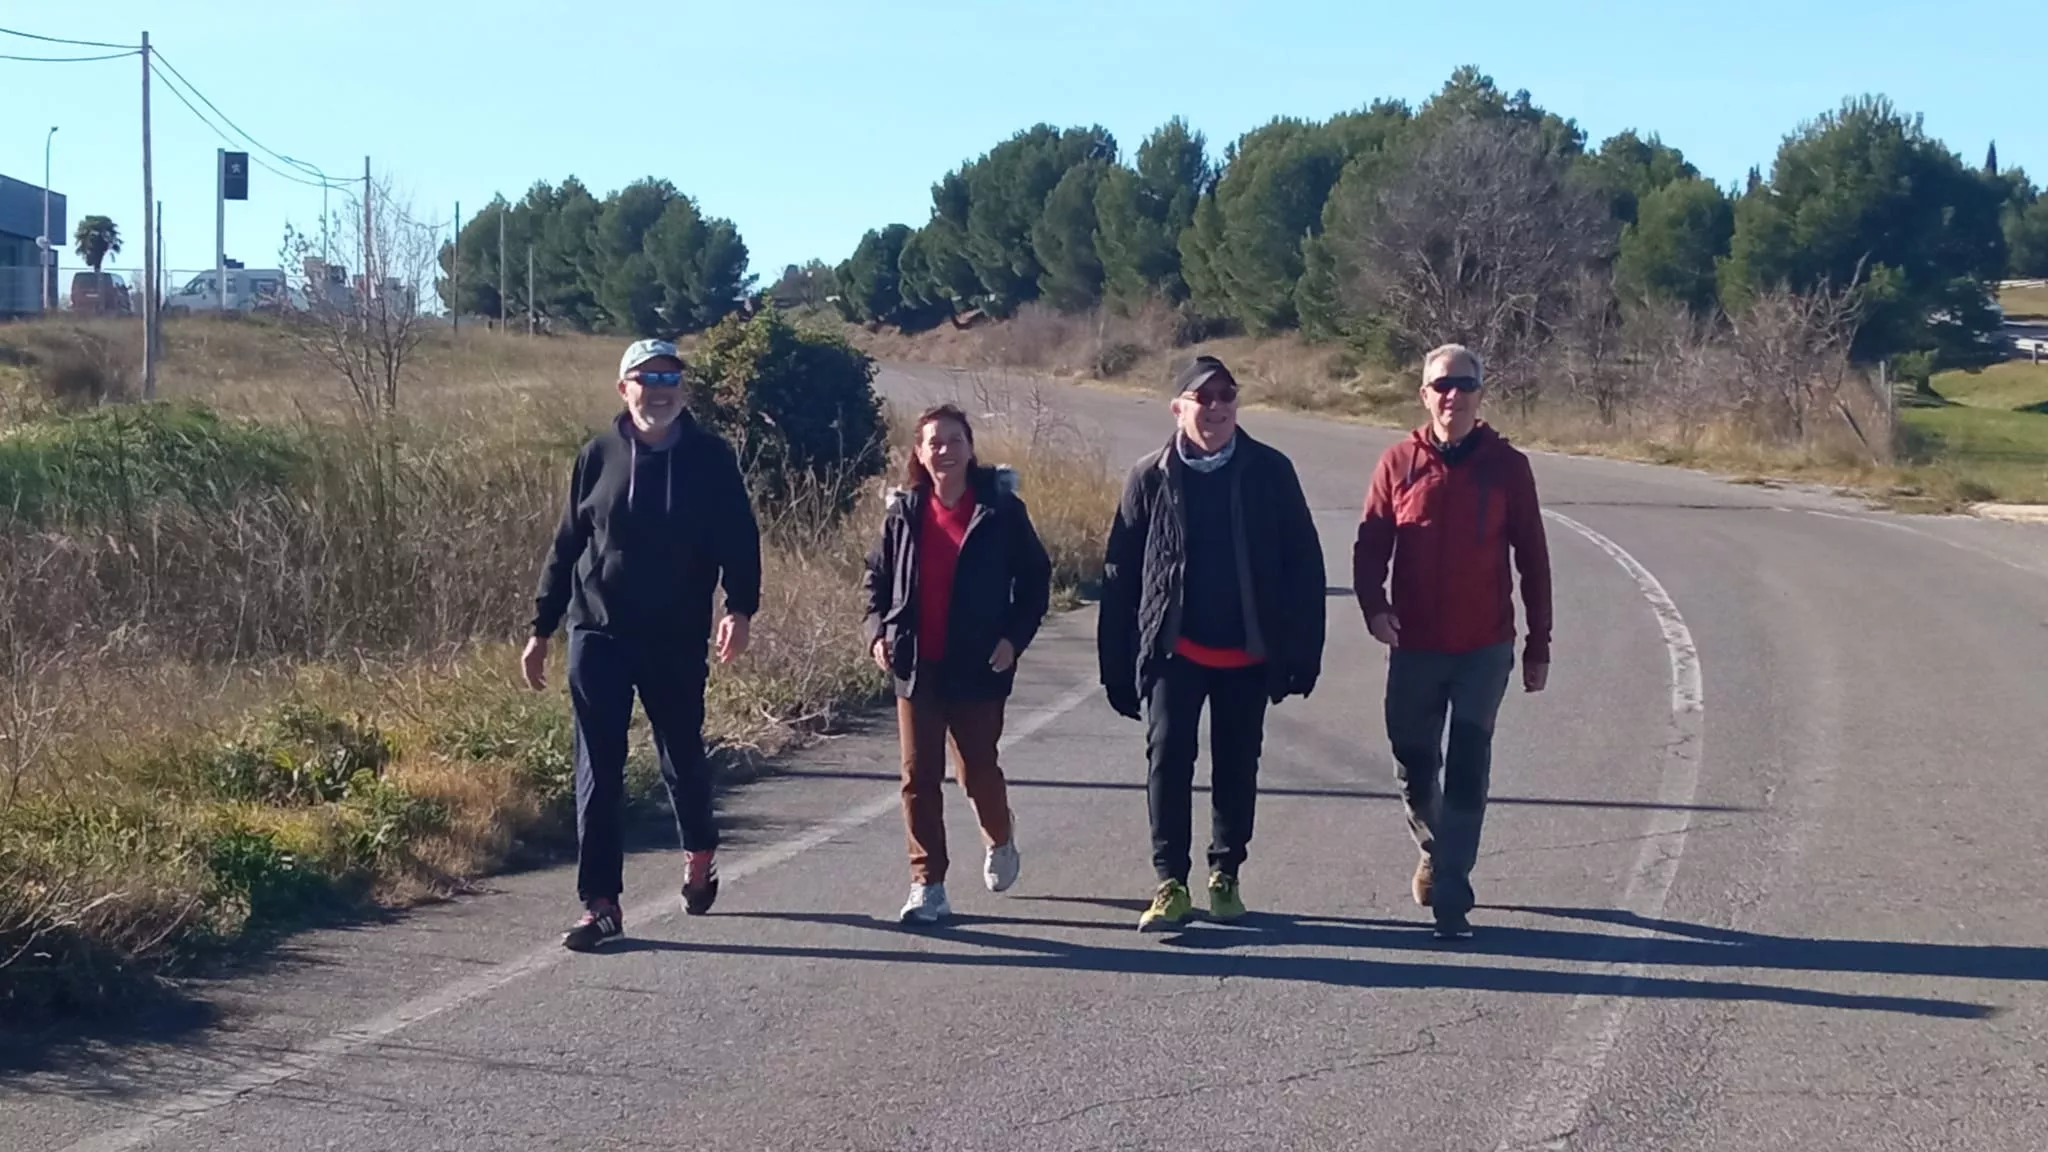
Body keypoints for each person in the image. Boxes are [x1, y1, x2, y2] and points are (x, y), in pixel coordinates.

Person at [523, 338, 763, 952]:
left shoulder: (710, 458)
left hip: (675, 634)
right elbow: (566, 544)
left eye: (671, 376)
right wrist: (540, 629)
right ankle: (601, 905)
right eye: (646, 376)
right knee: (597, 768)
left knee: (680, 754)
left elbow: (739, 536)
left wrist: (739, 608)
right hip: (597, 631)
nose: (660, 387)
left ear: (683, 389)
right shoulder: (597, 456)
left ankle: (700, 853)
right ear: (622, 387)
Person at [1098, 355, 1327, 932]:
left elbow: (1303, 563)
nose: (1218, 407)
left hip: (1247, 651)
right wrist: (1116, 665)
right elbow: (1120, 574)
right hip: (1175, 649)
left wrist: (1304, 651)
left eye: (1227, 396)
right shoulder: (1148, 477)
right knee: (1168, 760)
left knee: (1236, 765)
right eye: (1205, 398)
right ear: (1179, 408)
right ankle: (1170, 882)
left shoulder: (1269, 470)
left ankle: (1226, 874)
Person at [1352, 343, 1552, 941]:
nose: (1452, 396)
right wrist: (1374, 607)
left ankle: (1453, 897)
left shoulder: (1507, 466)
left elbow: (1534, 559)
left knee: (1468, 766)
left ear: (1480, 394)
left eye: (1464, 385)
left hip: (1483, 647)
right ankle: (1436, 851)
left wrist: (1538, 644)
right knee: (1414, 763)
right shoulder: (1397, 462)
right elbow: (1370, 545)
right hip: (1414, 645)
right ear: (1424, 394)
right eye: (1441, 385)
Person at [863, 404, 1053, 924]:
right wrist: (876, 631)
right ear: (918, 455)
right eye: (933, 442)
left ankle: (1000, 834)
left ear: (970, 447)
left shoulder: (1001, 510)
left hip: (979, 665)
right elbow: (875, 581)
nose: (943, 450)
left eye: (953, 440)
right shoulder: (903, 512)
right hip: (916, 664)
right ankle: (928, 884)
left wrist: (1014, 639)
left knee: (976, 771)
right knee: (918, 776)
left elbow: (1036, 581)